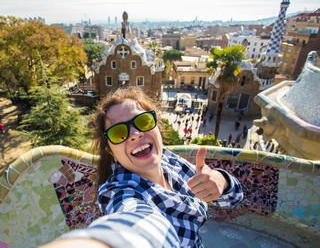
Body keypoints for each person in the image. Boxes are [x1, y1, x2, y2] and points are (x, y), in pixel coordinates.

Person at [44, 87, 243, 248]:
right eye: (118, 132)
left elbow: (233, 199)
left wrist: (221, 181)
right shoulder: (121, 191)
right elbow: (133, 221)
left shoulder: (171, 162)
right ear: (111, 151)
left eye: (143, 121)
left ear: (157, 127)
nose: (135, 134)